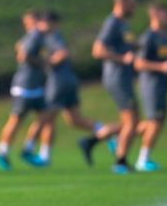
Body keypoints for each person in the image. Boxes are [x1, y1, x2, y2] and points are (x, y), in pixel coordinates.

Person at [23, 11, 118, 167]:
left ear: (52, 24)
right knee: (74, 119)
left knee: (47, 117)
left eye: (43, 23)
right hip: (69, 80)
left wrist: (47, 62)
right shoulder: (50, 36)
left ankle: (33, 150)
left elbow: (63, 53)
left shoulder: (51, 36)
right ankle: (105, 132)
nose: (40, 26)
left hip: (58, 82)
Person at [89, 0, 138, 174]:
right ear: (122, 3)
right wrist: (121, 58)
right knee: (131, 120)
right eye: (132, 3)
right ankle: (120, 161)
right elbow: (97, 50)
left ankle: (100, 144)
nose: (134, 7)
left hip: (124, 77)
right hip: (117, 77)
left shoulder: (124, 24)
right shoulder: (112, 23)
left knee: (131, 120)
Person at [0, 10, 49, 171]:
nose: (27, 25)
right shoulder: (35, 35)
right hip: (25, 86)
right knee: (17, 119)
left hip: (35, 86)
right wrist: (43, 62)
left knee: (45, 116)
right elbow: (23, 55)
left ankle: (27, 149)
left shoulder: (34, 36)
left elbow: (19, 46)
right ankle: (2, 152)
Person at [132, 3, 167, 172]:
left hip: (164, 84)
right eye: (165, 14)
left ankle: (120, 137)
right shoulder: (148, 37)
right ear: (155, 15)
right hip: (151, 85)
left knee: (156, 121)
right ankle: (143, 160)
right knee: (155, 121)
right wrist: (161, 67)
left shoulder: (166, 37)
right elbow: (139, 63)